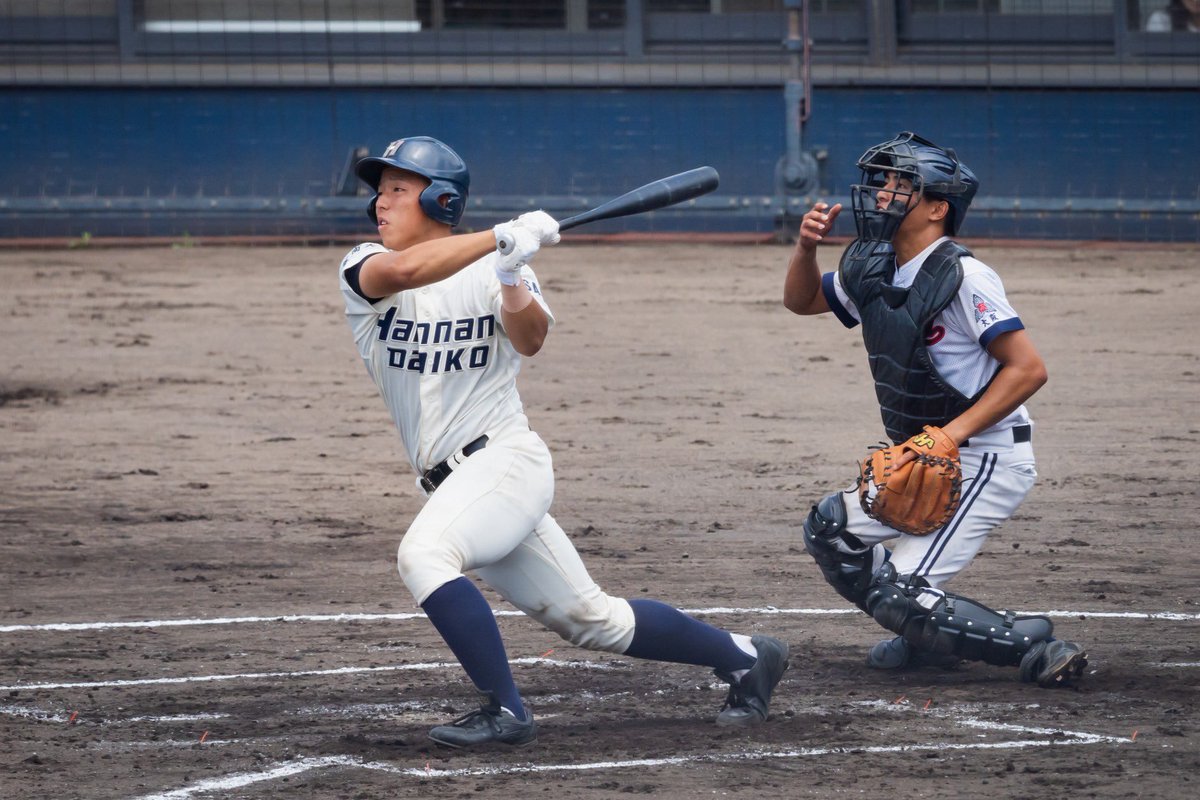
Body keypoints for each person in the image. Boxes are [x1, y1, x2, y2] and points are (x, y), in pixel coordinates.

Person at [339, 136, 789, 749]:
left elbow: (530, 339)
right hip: (457, 485)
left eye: (397, 190)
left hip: (503, 462)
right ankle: (746, 656)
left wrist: (508, 276)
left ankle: (505, 711)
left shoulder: (497, 265)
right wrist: (501, 237)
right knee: (590, 618)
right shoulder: (362, 264)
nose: (380, 205)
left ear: (441, 201)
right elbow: (408, 270)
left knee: (424, 557)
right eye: (379, 192)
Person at [781, 132, 1087, 688]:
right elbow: (802, 301)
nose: (882, 195)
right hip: (925, 458)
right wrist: (806, 249)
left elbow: (1028, 369)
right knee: (831, 531)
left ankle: (1037, 649)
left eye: (901, 186)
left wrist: (950, 436)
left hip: (987, 458)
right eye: (883, 184)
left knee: (898, 593)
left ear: (937, 208)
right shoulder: (875, 266)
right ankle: (927, 632)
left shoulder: (966, 277)